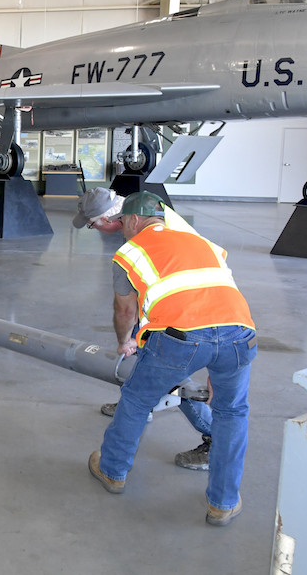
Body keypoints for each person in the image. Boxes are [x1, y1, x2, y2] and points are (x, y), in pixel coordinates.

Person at [87, 191, 257, 527]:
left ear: (134, 220)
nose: (123, 229)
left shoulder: (131, 251)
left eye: (124, 224)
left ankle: (112, 470)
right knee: (231, 411)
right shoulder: (204, 242)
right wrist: (219, 354)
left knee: (136, 400)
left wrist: (125, 342)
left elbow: (125, 309)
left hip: (180, 338)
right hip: (239, 335)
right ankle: (223, 503)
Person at [73, 188, 214, 472]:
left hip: (188, 316)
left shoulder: (143, 237)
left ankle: (212, 438)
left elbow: (125, 309)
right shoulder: (146, 219)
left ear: (110, 218)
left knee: (172, 373)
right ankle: (144, 401)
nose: (95, 229)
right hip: (177, 307)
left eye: (93, 223)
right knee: (148, 354)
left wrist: (125, 339)